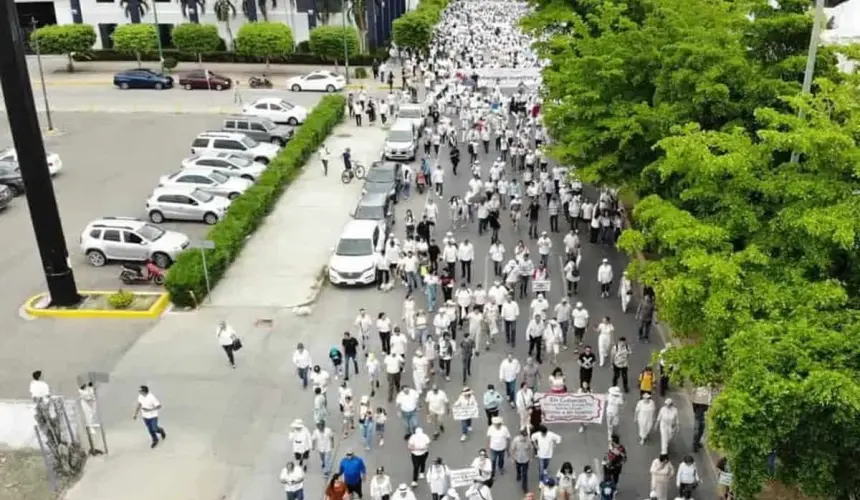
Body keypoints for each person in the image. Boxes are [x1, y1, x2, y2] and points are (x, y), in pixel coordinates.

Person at [510, 428, 532, 493]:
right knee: (518, 468)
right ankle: (518, 474)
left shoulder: (528, 440)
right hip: (518, 458)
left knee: (525, 474)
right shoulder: (516, 440)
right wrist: (512, 458)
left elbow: (531, 449)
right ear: (520, 435)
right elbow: (512, 449)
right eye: (523, 436)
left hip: (525, 459)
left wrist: (530, 457)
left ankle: (524, 487)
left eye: (526, 436)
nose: (525, 438)